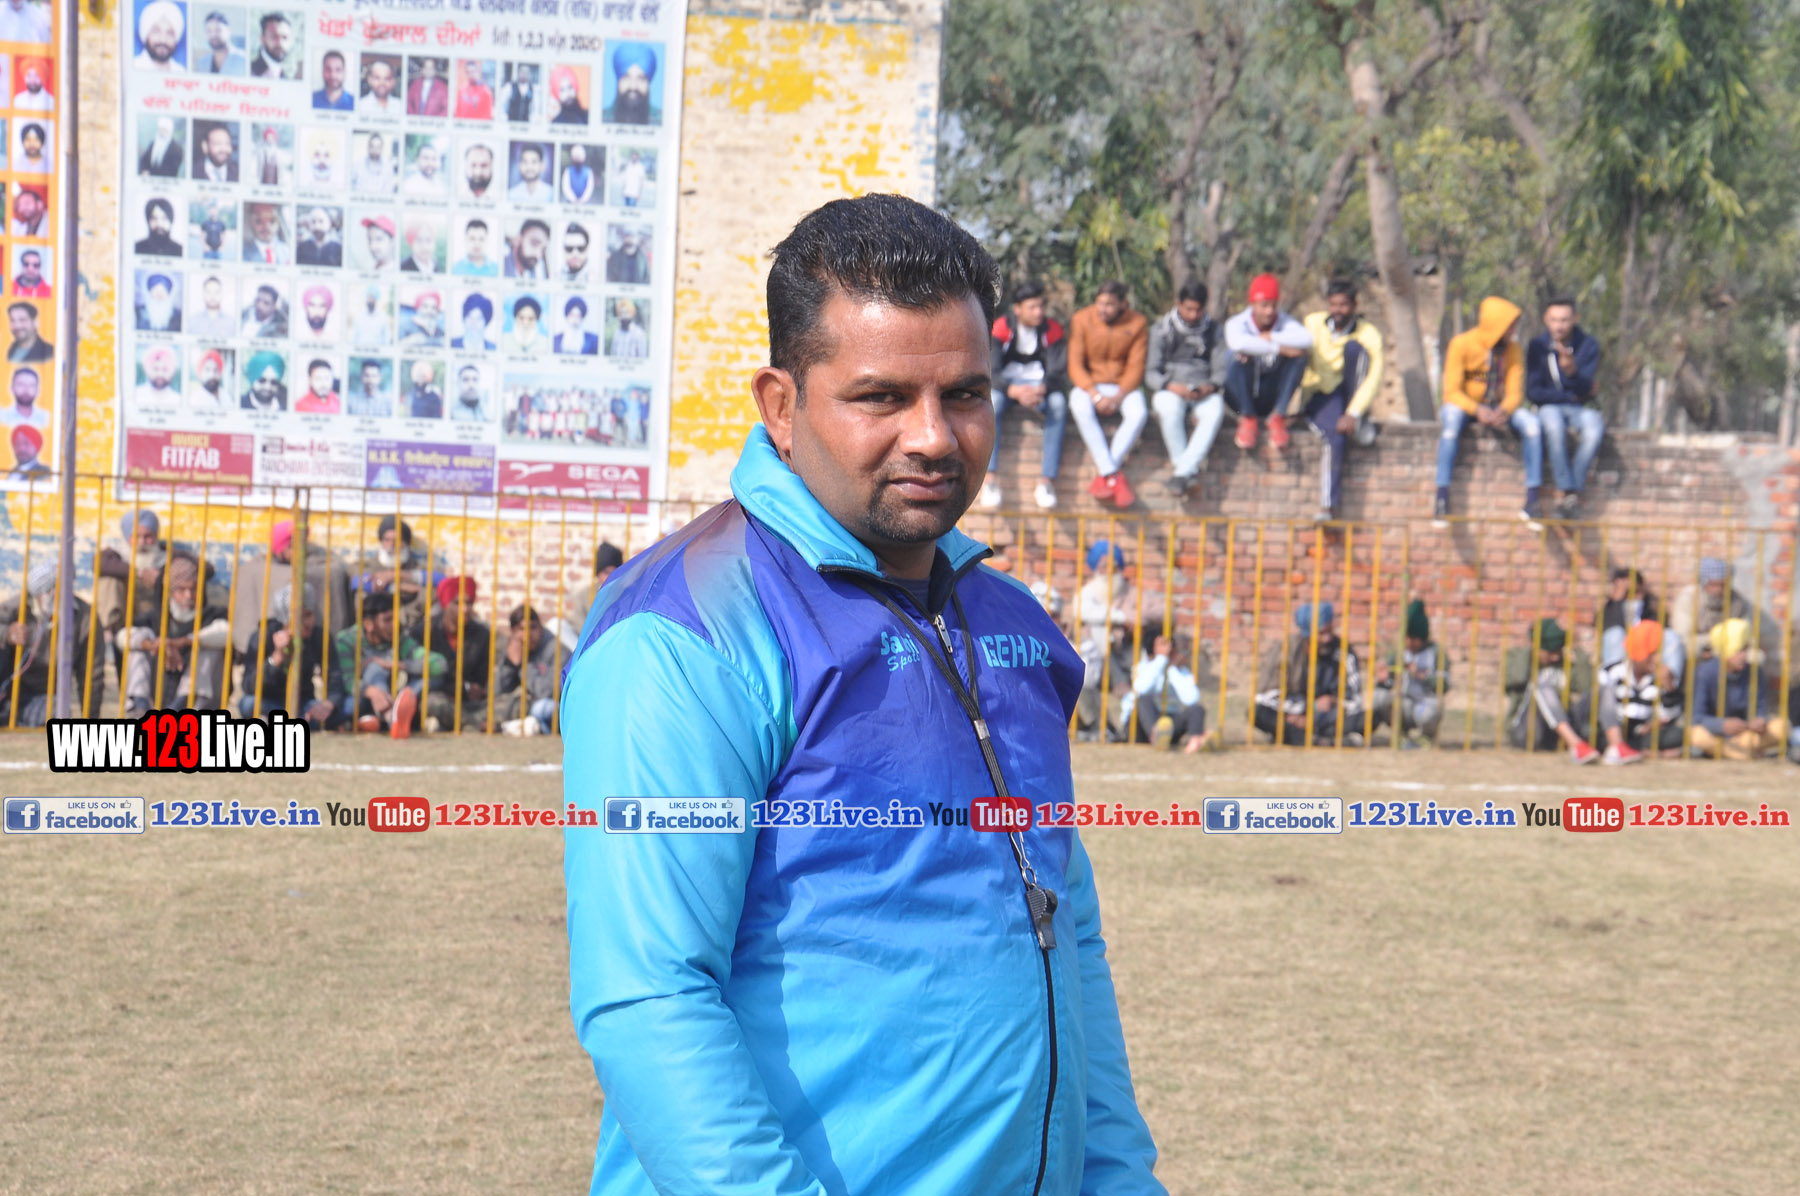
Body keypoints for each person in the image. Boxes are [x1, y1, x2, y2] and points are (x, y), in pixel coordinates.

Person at [561, 194, 1165, 1195]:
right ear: (781, 404)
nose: (934, 436)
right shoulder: (687, 628)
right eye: (881, 397)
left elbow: (1070, 930)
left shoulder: (1007, 621)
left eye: (964, 394)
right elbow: (651, 997)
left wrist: (1118, 1178)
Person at [1435, 296, 1542, 526]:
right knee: (1450, 426)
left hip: (1498, 407)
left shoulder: (1513, 350)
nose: (1513, 332)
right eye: (1509, 327)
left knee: (1532, 426)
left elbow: (1515, 392)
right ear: (1496, 325)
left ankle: (1532, 501)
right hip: (1465, 406)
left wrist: (1504, 410)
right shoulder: (1462, 344)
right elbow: (1451, 392)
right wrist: (1477, 410)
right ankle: (1441, 497)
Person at [1297, 278, 1384, 521]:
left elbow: (1374, 375)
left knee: (1355, 349)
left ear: (1354, 306)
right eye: (1333, 304)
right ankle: (1328, 505)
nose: (1338, 310)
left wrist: (1353, 412)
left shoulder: (1368, 333)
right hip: (1319, 393)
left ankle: (1328, 506)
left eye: (1343, 305)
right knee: (1335, 437)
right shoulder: (1313, 323)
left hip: (1347, 393)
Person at [981, 279, 1068, 511]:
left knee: (1059, 404)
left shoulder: (1052, 330)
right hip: (1006, 388)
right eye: (1032, 307)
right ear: (1018, 308)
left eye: (1041, 306)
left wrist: (1043, 388)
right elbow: (989, 367)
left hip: (1040, 390)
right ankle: (990, 479)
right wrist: (1013, 390)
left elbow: (1058, 371)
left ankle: (1047, 481)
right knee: (992, 402)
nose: (1039, 312)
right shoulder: (1001, 328)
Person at [1067, 280, 1149, 509]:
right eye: (1100, 303)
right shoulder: (1082, 319)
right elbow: (1075, 364)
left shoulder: (1137, 322)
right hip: (1090, 385)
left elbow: (1136, 366)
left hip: (1123, 387)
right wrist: (1095, 395)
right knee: (1078, 404)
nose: (1103, 309)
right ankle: (1111, 474)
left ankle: (1106, 473)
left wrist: (1119, 396)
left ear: (1123, 304)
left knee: (1139, 413)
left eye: (1110, 305)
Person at [116, 556, 231, 716]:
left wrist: (183, 642)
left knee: (209, 648)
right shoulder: (155, 618)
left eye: (194, 589)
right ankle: (140, 708)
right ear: (169, 592)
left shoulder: (211, 615)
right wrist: (154, 645)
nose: (188, 596)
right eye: (181, 590)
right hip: (157, 692)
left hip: (198, 705)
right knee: (139, 639)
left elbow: (227, 633)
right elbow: (122, 637)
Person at [1146, 280, 1227, 499]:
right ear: (1178, 304)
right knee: (1170, 410)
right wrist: (1172, 387)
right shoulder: (1162, 329)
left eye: (1198, 310)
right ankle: (1186, 473)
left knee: (1215, 411)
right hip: (1170, 388)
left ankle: (1181, 473)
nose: (1193, 315)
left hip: (1203, 390)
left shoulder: (1214, 330)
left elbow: (1221, 372)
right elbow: (1151, 373)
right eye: (1188, 309)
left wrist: (1209, 387)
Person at [1525, 296, 1603, 519]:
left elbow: (1588, 387)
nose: (1559, 326)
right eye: (1554, 320)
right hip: (1550, 407)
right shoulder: (1537, 346)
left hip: (1579, 409)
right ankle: (1568, 490)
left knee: (1595, 427)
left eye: (1564, 320)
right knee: (1553, 427)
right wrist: (1568, 395)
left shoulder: (1588, 345)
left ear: (1575, 319)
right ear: (1546, 319)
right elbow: (1533, 391)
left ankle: (1571, 490)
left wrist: (1572, 372)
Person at [0, 562, 105, 725]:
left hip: (43, 697)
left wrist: (90, 719)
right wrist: (7, 634)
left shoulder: (86, 618)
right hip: (8, 689)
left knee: (58, 712)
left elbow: (92, 673)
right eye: (52, 591)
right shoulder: (14, 608)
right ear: (39, 595)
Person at [1253, 602, 1368, 746]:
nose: (1327, 638)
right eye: (1321, 633)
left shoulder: (1343, 652)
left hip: (1327, 717)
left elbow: (1354, 703)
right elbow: (1265, 696)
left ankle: (1295, 737)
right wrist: (1310, 706)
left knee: (1367, 719)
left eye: (1330, 631)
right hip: (1293, 714)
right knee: (1258, 712)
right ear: (1307, 634)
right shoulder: (1288, 650)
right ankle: (1318, 740)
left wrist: (1318, 715)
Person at [1223, 273, 1312, 455]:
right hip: (1240, 398)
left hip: (1270, 394)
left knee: (1299, 358)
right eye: (1264, 305)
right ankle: (1248, 418)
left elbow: (1307, 339)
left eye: (1273, 305)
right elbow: (1238, 343)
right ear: (1252, 304)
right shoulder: (1237, 323)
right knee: (1235, 357)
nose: (1269, 311)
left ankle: (1278, 416)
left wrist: (1271, 336)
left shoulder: (1284, 322)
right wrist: (1279, 348)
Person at [333, 598, 447, 738]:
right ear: (368, 624)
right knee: (369, 677)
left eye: (395, 618)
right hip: (362, 696)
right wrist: (372, 692)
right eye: (387, 620)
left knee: (433, 677)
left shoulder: (399, 638)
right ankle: (388, 717)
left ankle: (394, 712)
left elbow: (440, 664)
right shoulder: (346, 640)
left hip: (394, 696)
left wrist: (395, 664)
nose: (394, 624)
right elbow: (347, 681)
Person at [238, 583, 337, 729]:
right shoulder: (263, 636)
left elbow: (334, 675)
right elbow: (249, 685)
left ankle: (282, 722)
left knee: (346, 707)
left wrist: (329, 704)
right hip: (268, 701)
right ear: (285, 617)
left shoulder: (319, 636)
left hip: (303, 702)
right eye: (302, 617)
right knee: (248, 704)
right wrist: (277, 657)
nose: (308, 622)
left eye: (310, 615)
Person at [1690, 619, 1789, 760]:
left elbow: (1761, 708)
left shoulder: (1755, 672)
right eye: (1739, 650)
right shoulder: (1705, 672)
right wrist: (1722, 725)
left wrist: (1759, 720)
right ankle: (1745, 754)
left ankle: (1730, 752)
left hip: (1745, 735)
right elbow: (1697, 717)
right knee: (1696, 735)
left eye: (1745, 650)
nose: (1743, 655)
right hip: (1716, 734)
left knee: (1782, 727)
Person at [1073, 540, 1140, 742]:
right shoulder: (1087, 594)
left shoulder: (1130, 593)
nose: (1108, 571)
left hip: (1126, 655)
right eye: (1103, 566)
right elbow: (1083, 611)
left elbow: (1149, 614)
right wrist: (1120, 618)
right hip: (1095, 659)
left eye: (1113, 566)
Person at [1503, 618, 1597, 761]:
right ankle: (1576, 744)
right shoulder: (1518, 657)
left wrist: (1578, 654)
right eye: (1550, 652)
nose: (1555, 657)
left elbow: (1586, 688)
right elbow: (1517, 678)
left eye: (1558, 652)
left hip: (1554, 734)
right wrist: (1529, 652)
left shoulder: (1564, 665)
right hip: (1527, 730)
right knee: (1541, 685)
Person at [1593, 620, 1686, 763]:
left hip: (1643, 733)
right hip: (1615, 729)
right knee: (1591, 732)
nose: (1657, 659)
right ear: (1639, 653)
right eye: (1652, 654)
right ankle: (1626, 748)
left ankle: (1633, 749)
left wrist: (1669, 689)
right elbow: (1603, 710)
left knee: (1677, 735)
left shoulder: (1661, 677)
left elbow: (1668, 716)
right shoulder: (1610, 671)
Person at [1371, 599, 1446, 746]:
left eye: (1414, 638)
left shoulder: (1435, 653)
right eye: (1407, 638)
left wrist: (1422, 676)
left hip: (1425, 704)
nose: (1410, 642)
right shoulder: (1399, 653)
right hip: (1404, 705)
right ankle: (1400, 734)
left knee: (1430, 712)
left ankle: (1426, 737)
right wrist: (1383, 681)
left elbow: (1445, 685)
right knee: (1379, 697)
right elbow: (1388, 683)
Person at [1125, 631, 1210, 752]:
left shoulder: (1181, 672)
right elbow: (1141, 689)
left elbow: (1192, 699)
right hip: (1142, 725)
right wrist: (1161, 659)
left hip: (1169, 723)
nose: (1169, 651)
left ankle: (1195, 742)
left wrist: (1172, 669)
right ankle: (1156, 735)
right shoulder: (1142, 667)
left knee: (1197, 709)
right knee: (1143, 700)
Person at [430, 577, 493, 731]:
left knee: (515, 702)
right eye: (457, 603)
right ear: (445, 604)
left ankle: (462, 722)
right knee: (431, 702)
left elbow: (482, 677)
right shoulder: (426, 631)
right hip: (440, 697)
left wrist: (477, 689)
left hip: (470, 703)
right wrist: (463, 687)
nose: (465, 609)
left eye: (469, 603)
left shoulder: (482, 635)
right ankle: (475, 725)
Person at [494, 603, 559, 734]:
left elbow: (546, 692)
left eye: (533, 628)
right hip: (522, 706)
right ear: (513, 633)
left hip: (550, 706)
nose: (528, 634)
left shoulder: (555, 649)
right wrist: (510, 664)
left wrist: (523, 666)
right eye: (522, 629)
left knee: (542, 709)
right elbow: (496, 691)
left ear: (540, 627)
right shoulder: (515, 648)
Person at [550, 541, 622, 652]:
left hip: (616, 645)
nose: (611, 576)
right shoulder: (585, 595)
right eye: (606, 572)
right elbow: (578, 626)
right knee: (555, 625)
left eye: (615, 571)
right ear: (598, 574)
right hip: (588, 646)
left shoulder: (626, 593)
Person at [605, 41, 656, 123]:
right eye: (626, 77)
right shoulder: (603, 117)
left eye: (641, 79)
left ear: (648, 82)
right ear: (618, 80)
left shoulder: (660, 119)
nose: (633, 86)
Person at [134, 0, 184, 71]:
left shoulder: (181, 71)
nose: (163, 40)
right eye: (156, 31)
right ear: (146, 34)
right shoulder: (134, 66)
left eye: (169, 33)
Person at [249, 11, 297, 79]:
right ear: (262, 39)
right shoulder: (250, 72)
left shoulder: (284, 77)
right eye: (274, 36)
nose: (280, 43)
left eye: (285, 37)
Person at [1, 367, 48, 431]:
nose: (26, 390)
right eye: (21, 384)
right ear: (12, 388)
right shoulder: (3, 417)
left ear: (37, 390)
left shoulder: (45, 417)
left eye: (31, 385)